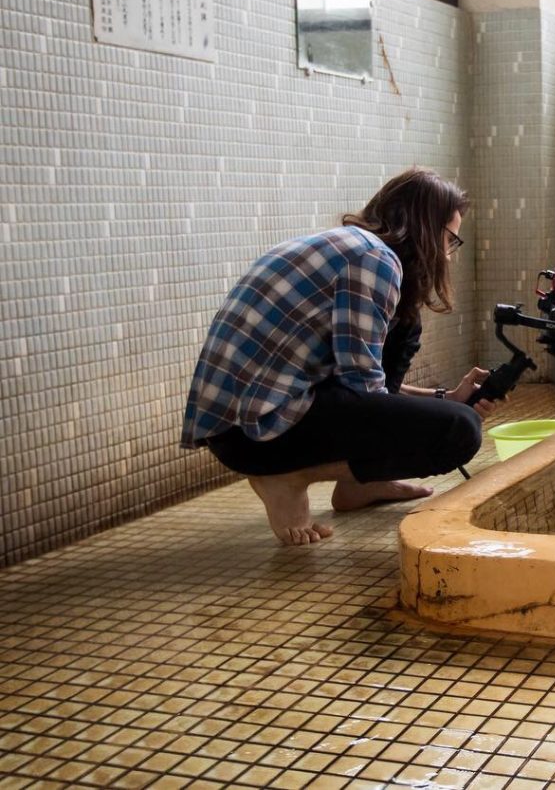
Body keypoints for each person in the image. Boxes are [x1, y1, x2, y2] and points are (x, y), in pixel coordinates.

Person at [180, 167, 500, 545]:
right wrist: (448, 414)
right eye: (449, 240)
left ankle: (360, 486)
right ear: (425, 228)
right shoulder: (375, 260)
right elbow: (363, 387)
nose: (448, 256)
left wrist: (445, 397)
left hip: (245, 425)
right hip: (257, 435)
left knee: (407, 324)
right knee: (459, 430)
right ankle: (287, 477)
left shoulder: (351, 247)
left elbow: (362, 383)